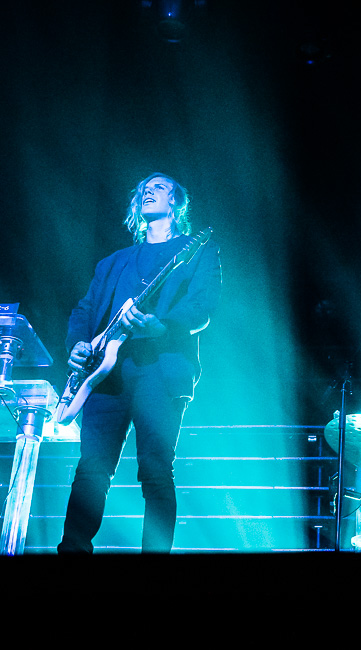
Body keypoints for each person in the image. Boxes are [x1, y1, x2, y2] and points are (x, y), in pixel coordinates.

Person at [57, 173, 221, 554]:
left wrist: (161, 327)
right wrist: (78, 344)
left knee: (156, 472)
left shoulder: (196, 250)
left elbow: (203, 307)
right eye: (144, 188)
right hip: (105, 376)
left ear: (178, 203)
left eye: (160, 187)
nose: (149, 190)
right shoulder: (113, 262)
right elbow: (84, 309)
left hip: (161, 372)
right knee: (91, 470)